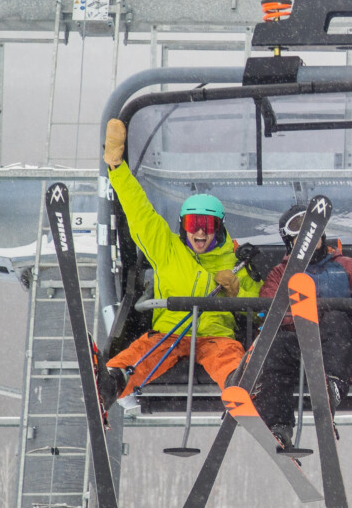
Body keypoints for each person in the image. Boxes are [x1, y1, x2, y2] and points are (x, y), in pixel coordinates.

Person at [97, 117, 260, 414]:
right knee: (147, 351)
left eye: (207, 225)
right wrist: (117, 169)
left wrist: (236, 291)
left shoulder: (236, 261)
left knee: (227, 354)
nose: (200, 232)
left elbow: (261, 305)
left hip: (215, 334)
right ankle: (111, 381)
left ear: (219, 227)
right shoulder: (167, 248)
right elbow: (140, 212)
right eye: (193, 224)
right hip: (171, 332)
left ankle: (239, 385)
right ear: (183, 226)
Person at [253, 205, 352, 447]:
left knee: (335, 317)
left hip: (338, 338)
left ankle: (331, 387)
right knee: (277, 346)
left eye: (314, 238)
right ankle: (278, 425)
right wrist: (301, 319)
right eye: (301, 240)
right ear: (290, 243)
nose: (310, 244)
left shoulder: (346, 265)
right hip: (300, 339)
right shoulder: (281, 273)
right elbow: (270, 311)